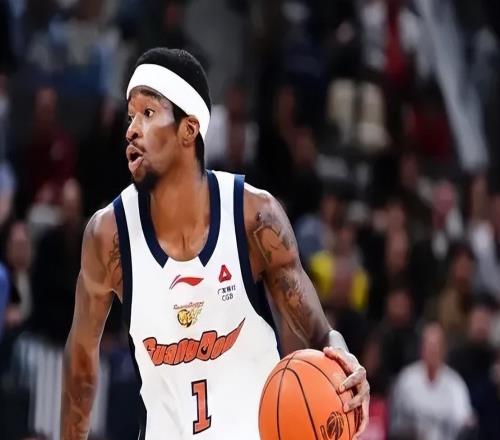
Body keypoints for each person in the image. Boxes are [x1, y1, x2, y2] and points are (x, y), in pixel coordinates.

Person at [60, 48, 370, 439]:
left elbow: (321, 334)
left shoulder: (254, 217)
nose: (131, 130)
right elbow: (81, 366)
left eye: (148, 113)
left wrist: (345, 363)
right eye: (130, 115)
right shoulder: (108, 236)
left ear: (189, 129)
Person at [390, 322, 475, 440]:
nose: (433, 351)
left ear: (444, 350)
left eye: (436, 346)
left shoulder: (455, 384)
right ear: (422, 348)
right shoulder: (407, 379)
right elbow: (396, 424)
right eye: (429, 346)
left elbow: (465, 422)